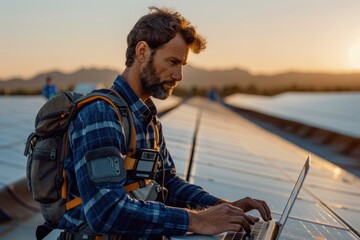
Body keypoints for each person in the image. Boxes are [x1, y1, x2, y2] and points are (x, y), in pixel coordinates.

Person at [58, 7, 272, 239]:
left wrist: (223, 208)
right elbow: (106, 212)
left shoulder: (147, 120)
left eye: (182, 65)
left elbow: (167, 182)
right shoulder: (101, 115)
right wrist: (197, 220)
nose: (178, 75)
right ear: (142, 52)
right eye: (172, 62)